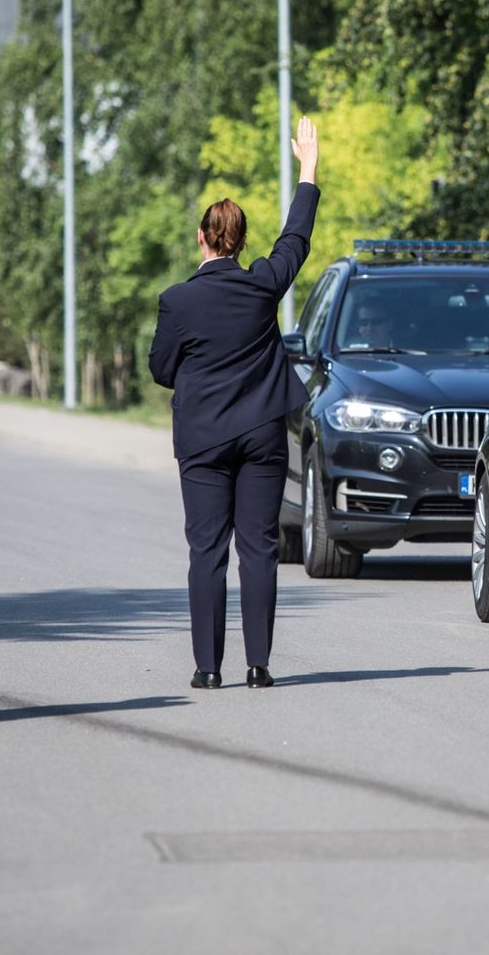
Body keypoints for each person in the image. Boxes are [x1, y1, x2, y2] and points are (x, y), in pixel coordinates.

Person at [149, 116, 319, 691]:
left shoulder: (177, 302)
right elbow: (295, 240)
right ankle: (259, 665)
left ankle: (206, 668)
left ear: (201, 238)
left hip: (202, 437)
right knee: (260, 549)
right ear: (241, 242)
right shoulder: (264, 285)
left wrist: (194, 376)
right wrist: (308, 171)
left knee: (207, 551)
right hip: (263, 434)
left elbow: (159, 369)